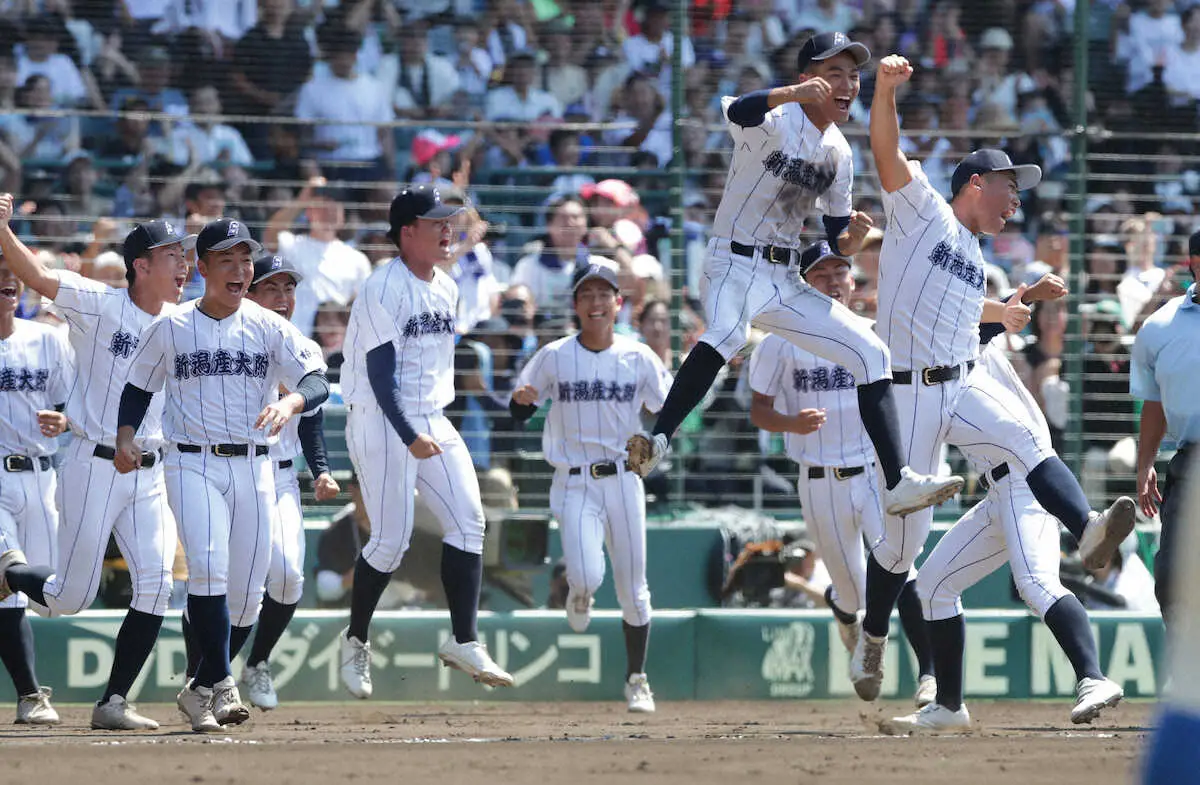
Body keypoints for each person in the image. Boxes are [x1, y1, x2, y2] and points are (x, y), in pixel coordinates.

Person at [853, 53, 1139, 703]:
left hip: (956, 383)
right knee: (901, 550)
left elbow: (970, 312)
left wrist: (1013, 307)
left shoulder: (977, 260)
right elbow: (885, 151)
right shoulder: (924, 211)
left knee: (1022, 435)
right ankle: (872, 634)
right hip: (909, 393)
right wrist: (886, 94)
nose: (1017, 200)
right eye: (1011, 185)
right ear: (977, 181)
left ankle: (1087, 526)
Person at [625, 32, 962, 522]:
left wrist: (854, 239)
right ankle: (659, 437)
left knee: (872, 353)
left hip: (784, 277)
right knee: (728, 333)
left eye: (853, 75)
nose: (847, 84)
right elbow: (737, 110)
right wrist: (791, 93)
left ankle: (898, 482)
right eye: (834, 73)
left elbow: (835, 237)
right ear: (807, 78)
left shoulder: (839, 153)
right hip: (733, 263)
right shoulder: (775, 117)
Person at [114, 218, 329, 732]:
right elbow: (138, 386)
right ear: (203, 266)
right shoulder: (171, 326)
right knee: (207, 565)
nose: (239, 269)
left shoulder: (268, 325)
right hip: (191, 460)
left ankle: (199, 688)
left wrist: (294, 400)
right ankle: (223, 681)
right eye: (227, 259)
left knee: (249, 593)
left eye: (246, 259)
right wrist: (125, 434)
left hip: (254, 465)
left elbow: (316, 380)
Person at [882, 278, 1125, 733]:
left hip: (1025, 482)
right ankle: (949, 707)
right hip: (998, 490)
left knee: (1036, 583)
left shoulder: (963, 343)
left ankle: (1093, 677)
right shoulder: (947, 351)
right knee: (932, 587)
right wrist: (1026, 294)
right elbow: (993, 318)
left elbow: (984, 322)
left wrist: (1022, 299)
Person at [0, 203, 187, 731]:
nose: (183, 265)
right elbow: (35, 275)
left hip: (150, 470)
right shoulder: (100, 303)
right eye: (170, 255)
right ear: (141, 265)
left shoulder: (182, 319)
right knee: (66, 599)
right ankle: (7, 571)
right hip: (96, 463)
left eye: (184, 255)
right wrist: (2, 229)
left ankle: (113, 702)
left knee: (157, 585)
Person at [337, 184, 514, 699]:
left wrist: (422, 429)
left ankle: (464, 639)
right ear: (406, 232)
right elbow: (380, 375)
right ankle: (356, 640)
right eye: (435, 221)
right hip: (379, 416)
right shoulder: (381, 287)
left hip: (431, 415)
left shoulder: (446, 286)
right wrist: (409, 434)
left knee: (470, 522)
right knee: (391, 540)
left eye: (449, 221)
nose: (447, 229)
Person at [746, 241, 936, 709]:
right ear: (805, 282)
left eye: (840, 271)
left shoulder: (874, 335)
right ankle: (845, 613)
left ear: (853, 280)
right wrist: (791, 424)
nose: (833, 281)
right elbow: (758, 410)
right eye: (822, 273)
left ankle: (929, 674)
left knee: (902, 566)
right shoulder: (780, 341)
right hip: (820, 477)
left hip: (874, 473)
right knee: (853, 592)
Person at [509, 261, 671, 713]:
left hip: (623, 479)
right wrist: (521, 403)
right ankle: (578, 592)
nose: (597, 303)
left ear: (619, 303)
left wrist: (661, 441)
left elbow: (669, 411)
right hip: (574, 480)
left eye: (605, 295)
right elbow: (521, 407)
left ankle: (637, 678)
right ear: (576, 304)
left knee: (634, 588)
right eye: (587, 295)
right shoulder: (556, 355)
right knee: (587, 575)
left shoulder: (639, 357)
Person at [238, 253, 341, 710]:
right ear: (250, 293)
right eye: (271, 289)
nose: (282, 299)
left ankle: (256, 662)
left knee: (288, 578)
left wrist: (320, 470)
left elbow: (313, 419)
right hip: (229, 470)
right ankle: (202, 674)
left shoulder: (302, 346)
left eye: (288, 289)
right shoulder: (232, 339)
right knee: (222, 581)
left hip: (279, 478)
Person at [0, 248, 71, 726]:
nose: (8, 281)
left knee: (51, 597)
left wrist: (64, 420)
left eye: (12, 273)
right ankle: (29, 695)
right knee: (11, 575)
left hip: (43, 475)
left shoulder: (46, 340)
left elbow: (73, 406)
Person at [1131, 227, 1200, 623]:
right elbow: (1154, 401)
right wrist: (1145, 464)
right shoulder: (1160, 327)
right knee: (1172, 578)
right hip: (1190, 465)